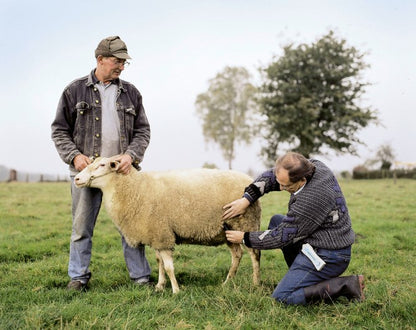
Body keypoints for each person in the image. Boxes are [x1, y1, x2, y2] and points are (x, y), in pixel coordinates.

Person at [51, 36, 152, 291]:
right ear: (100, 59)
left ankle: (140, 278)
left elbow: (142, 131)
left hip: (122, 174)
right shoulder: (73, 91)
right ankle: (78, 277)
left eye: (124, 62)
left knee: (131, 226)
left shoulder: (131, 93)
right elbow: (59, 130)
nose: (121, 66)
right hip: (86, 173)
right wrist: (75, 156)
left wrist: (131, 155)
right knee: (81, 226)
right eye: (117, 61)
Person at [223, 152, 364, 305]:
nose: (281, 188)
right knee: (277, 220)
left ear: (302, 180)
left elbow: (281, 236)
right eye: (280, 183)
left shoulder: (311, 199)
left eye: (286, 186)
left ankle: (346, 285)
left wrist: (244, 237)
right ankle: (303, 276)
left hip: (330, 255)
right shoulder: (315, 166)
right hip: (317, 239)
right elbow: (271, 177)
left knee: (282, 296)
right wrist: (247, 199)